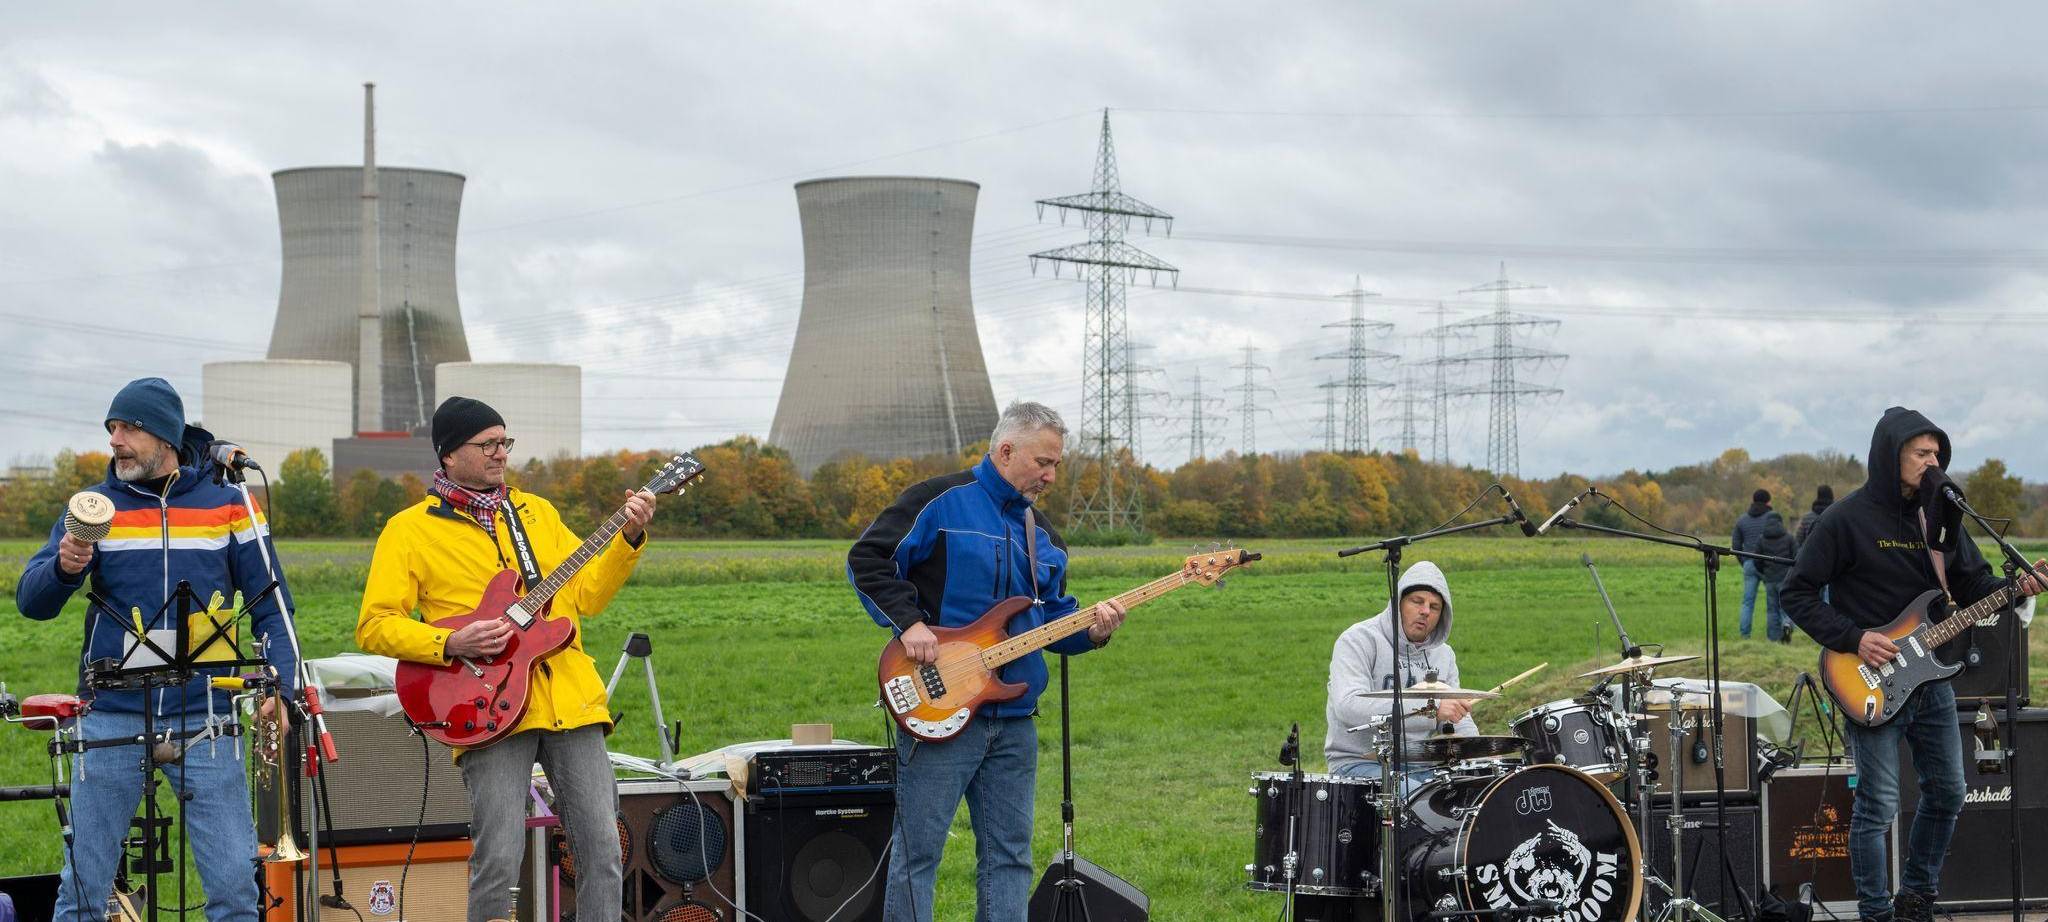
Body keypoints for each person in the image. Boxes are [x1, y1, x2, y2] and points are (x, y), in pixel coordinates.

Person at [355, 397, 656, 922]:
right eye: (488, 444)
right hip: (485, 706)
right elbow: (375, 625)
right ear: (449, 454)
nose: (501, 453)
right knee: (498, 858)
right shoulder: (408, 530)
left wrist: (628, 538)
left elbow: (586, 595)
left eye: (504, 442)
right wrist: (451, 642)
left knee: (604, 851)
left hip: (569, 701)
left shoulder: (537, 513)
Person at [15, 377, 298, 922]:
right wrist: (63, 568)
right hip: (111, 718)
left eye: (128, 428)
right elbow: (32, 601)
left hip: (207, 720)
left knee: (237, 893)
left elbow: (274, 609)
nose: (114, 440)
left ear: (165, 437)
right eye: (111, 428)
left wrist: (281, 690)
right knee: (82, 894)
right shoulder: (95, 507)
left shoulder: (231, 503)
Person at [847, 401, 1127, 922]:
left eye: (1056, 465)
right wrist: (909, 623)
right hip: (939, 709)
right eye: (1043, 463)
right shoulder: (938, 501)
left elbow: (1052, 621)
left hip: (1015, 720)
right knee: (918, 855)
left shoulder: (1045, 537)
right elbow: (868, 559)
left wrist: (1093, 631)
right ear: (1006, 450)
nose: (1051, 476)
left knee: (1010, 859)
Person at [1783, 407, 2046, 922]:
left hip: (1930, 680)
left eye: (1937, 454)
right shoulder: (1845, 519)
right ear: (1891, 454)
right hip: (1867, 679)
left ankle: (1916, 899)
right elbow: (1797, 592)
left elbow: (1973, 584)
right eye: (1922, 453)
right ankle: (1875, 912)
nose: (1933, 463)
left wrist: (2018, 587)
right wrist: (1855, 638)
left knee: (1949, 793)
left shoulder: (1940, 517)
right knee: (1878, 804)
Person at [1324, 561, 1478, 786]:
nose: (1425, 611)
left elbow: (1458, 717)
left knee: (1474, 793)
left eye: (1434, 607)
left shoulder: (1444, 655)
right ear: (1398, 603)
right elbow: (1349, 706)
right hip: (1358, 763)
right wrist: (1432, 709)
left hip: (1422, 765)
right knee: (1421, 800)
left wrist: (1481, 755)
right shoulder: (1358, 640)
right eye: (1417, 601)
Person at [1732, 488, 1774, 638]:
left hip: (1749, 562)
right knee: (1772, 602)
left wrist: (1744, 562)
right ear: (1768, 501)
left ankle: (1745, 635)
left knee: (1747, 602)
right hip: (1768, 564)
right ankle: (1773, 636)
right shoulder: (1771, 518)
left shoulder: (1742, 520)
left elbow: (1736, 546)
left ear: (1753, 500)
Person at [1754, 511, 1796, 643]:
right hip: (1786, 578)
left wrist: (1764, 573)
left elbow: (1757, 560)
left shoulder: (1761, 539)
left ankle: (1773, 638)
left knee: (1772, 609)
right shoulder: (1789, 538)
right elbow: (1796, 557)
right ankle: (1787, 624)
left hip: (1770, 579)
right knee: (1787, 606)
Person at [1797, 484, 1833, 549]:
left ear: (1818, 496)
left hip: (1810, 552)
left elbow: (1799, 540)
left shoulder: (1807, 518)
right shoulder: (1835, 517)